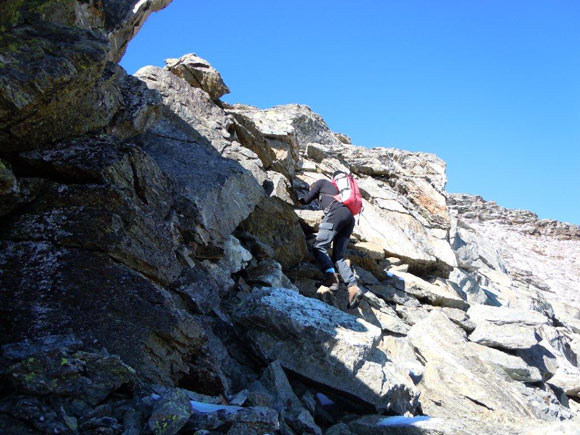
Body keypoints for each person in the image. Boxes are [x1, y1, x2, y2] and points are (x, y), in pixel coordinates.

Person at [299, 171, 363, 309]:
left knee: (319, 246)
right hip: (349, 218)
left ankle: (331, 277)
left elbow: (307, 198)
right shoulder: (336, 191)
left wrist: (299, 200)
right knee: (338, 257)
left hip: (336, 214)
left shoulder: (321, 183)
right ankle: (353, 288)